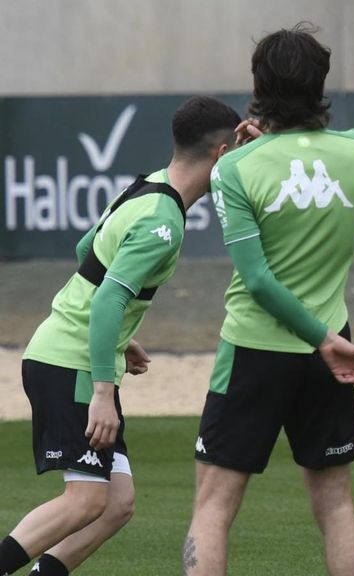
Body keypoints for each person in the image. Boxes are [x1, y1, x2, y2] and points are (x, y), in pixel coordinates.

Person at [0, 96, 241, 576]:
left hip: (72, 353)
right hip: (70, 365)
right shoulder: (164, 222)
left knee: (116, 504)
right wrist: (104, 390)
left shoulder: (147, 185)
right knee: (86, 500)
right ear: (220, 154)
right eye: (237, 153)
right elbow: (109, 297)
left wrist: (114, 336)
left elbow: (87, 247)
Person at [182, 23, 354, 576]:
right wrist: (326, 339)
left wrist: (255, 154)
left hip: (256, 349)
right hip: (334, 345)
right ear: (321, 83)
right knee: (337, 505)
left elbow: (259, 281)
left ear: (257, 84)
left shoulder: (235, 167)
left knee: (214, 508)